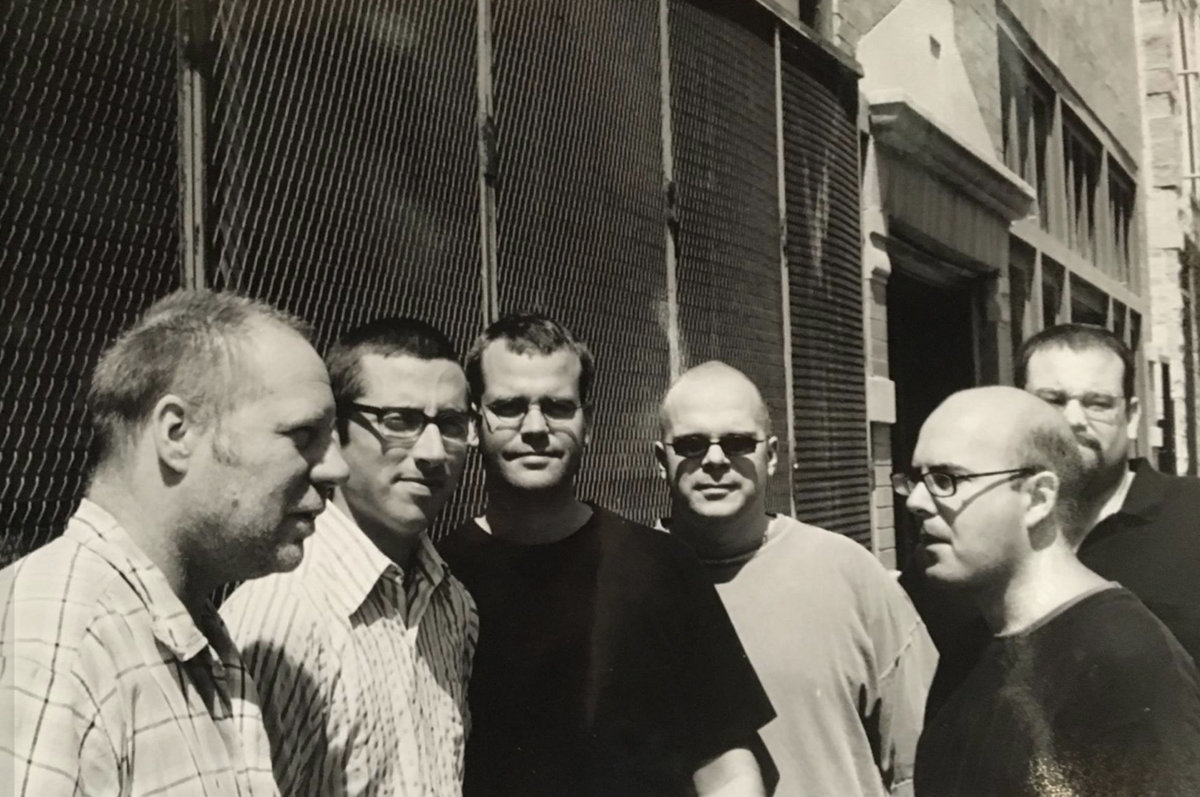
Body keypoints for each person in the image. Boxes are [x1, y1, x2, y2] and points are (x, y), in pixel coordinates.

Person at [0, 290, 349, 794]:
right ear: (178, 434)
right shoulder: (64, 639)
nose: (336, 467)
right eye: (303, 435)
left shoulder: (188, 632)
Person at [437, 314, 775, 797]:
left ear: (588, 423)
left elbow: (727, 767)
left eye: (557, 407)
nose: (535, 428)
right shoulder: (440, 578)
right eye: (509, 407)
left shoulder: (661, 565)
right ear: (474, 425)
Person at [220, 317, 479, 796]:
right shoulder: (283, 615)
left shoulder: (453, 606)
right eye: (398, 421)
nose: (432, 452)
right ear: (334, 432)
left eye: (451, 424)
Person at [654, 361, 936, 797]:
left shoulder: (848, 572)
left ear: (771, 455)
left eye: (737, 442)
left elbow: (925, 763)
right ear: (661, 460)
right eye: (691, 444)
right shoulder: (629, 581)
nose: (714, 460)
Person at [900, 386, 1200, 797]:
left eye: (945, 479)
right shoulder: (973, 642)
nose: (916, 501)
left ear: (1037, 498)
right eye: (916, 479)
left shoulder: (1124, 661)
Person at [904, 324, 1200, 716]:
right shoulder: (959, 547)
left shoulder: (1191, 517)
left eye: (1098, 403)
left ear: (1130, 416)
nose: (1073, 420)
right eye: (1052, 401)